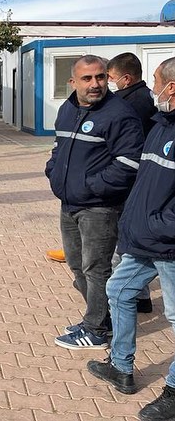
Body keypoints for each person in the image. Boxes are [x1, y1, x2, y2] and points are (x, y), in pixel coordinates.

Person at [87, 57, 175, 420]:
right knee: (119, 291)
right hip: (144, 240)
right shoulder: (162, 124)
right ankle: (121, 367)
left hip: (168, 244)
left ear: (172, 88)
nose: (152, 89)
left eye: (155, 82)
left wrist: (156, 225)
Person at [46, 55, 144, 350]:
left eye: (101, 77)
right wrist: (53, 172)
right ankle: (102, 318)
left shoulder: (119, 113)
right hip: (69, 203)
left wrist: (91, 187)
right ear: (73, 82)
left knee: (96, 268)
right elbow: (58, 147)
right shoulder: (67, 109)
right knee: (77, 265)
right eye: (87, 79)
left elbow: (129, 163)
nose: (95, 84)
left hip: (99, 207)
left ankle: (97, 329)